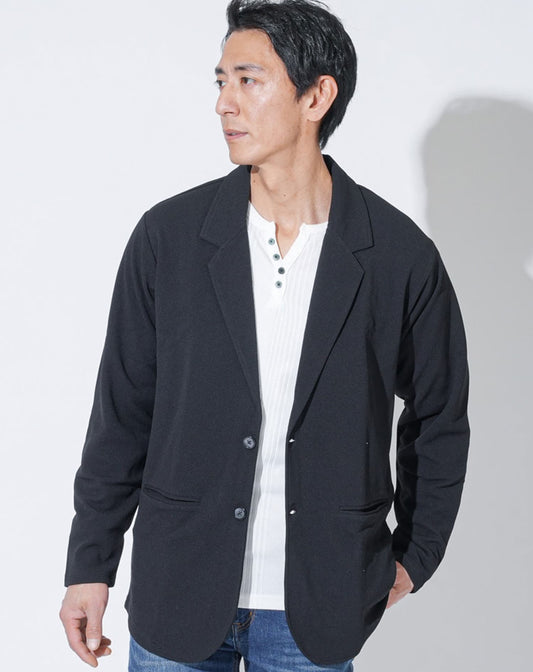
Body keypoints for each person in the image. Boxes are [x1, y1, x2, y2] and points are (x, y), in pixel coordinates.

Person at [59, 1, 470, 670]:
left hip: (320, 603)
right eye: (221, 81)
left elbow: (440, 416)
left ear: (316, 96)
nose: (225, 102)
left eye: (248, 80)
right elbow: (122, 412)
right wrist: (89, 563)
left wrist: (416, 554)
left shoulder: (399, 255)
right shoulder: (169, 238)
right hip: (178, 589)